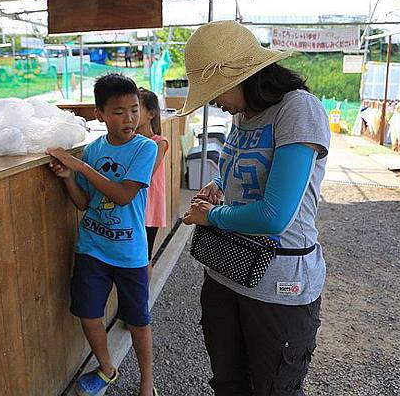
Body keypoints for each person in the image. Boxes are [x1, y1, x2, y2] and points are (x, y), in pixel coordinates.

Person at [179, 21, 330, 396]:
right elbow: (239, 172)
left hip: (279, 285)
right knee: (227, 382)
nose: (213, 101)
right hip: (228, 270)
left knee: (273, 387)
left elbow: (274, 216)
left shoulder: (298, 109)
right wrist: (218, 187)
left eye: (215, 90)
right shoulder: (241, 114)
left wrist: (209, 216)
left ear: (246, 75)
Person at [46, 73, 158, 396]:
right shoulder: (93, 150)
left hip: (130, 252)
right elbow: (84, 203)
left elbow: (123, 195)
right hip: (92, 247)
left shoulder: (144, 149)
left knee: (138, 320)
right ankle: (107, 368)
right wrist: (68, 176)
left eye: (134, 109)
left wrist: (80, 168)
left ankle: (146, 383)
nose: (130, 118)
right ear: (100, 114)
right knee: (88, 313)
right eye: (119, 111)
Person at [136, 88, 169, 263]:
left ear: (151, 114)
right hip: (134, 207)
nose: (130, 115)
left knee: (144, 258)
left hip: (149, 207)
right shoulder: (131, 141)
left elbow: (144, 175)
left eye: (135, 109)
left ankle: (144, 291)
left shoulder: (159, 143)